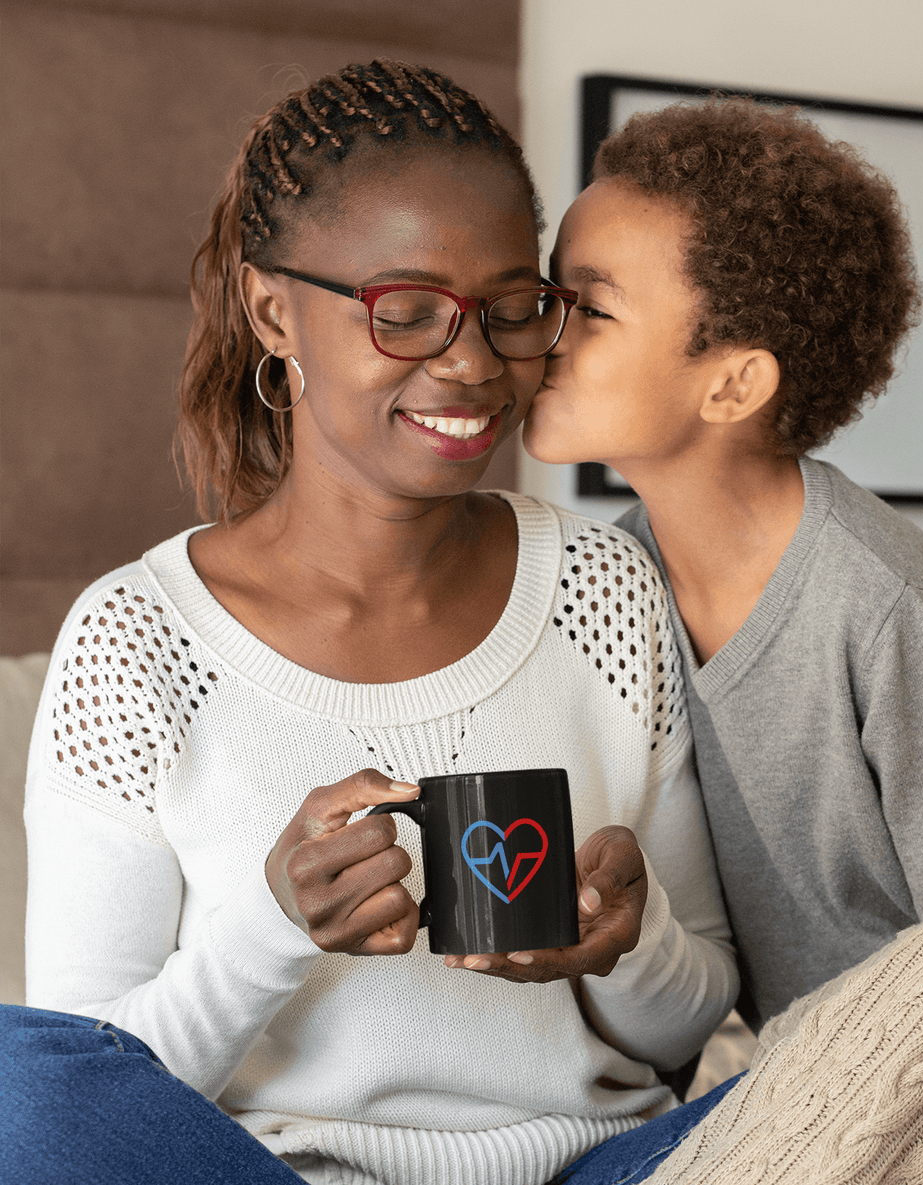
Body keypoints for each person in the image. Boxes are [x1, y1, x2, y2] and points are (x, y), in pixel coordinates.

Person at [7, 62, 738, 1185]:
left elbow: (694, 1019)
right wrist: (269, 927)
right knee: (16, 1078)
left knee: (916, 1035)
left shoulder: (604, 589)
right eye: (405, 313)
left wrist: (629, 944)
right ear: (272, 311)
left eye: (512, 310)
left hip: (598, 1169)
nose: (473, 363)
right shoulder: (134, 642)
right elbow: (83, 1084)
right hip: (278, 1176)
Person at [524, 97, 923, 1036]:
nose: (545, 329)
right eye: (551, 294)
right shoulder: (613, 580)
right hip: (807, 1051)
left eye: (594, 308)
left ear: (734, 383)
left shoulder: (886, 598)